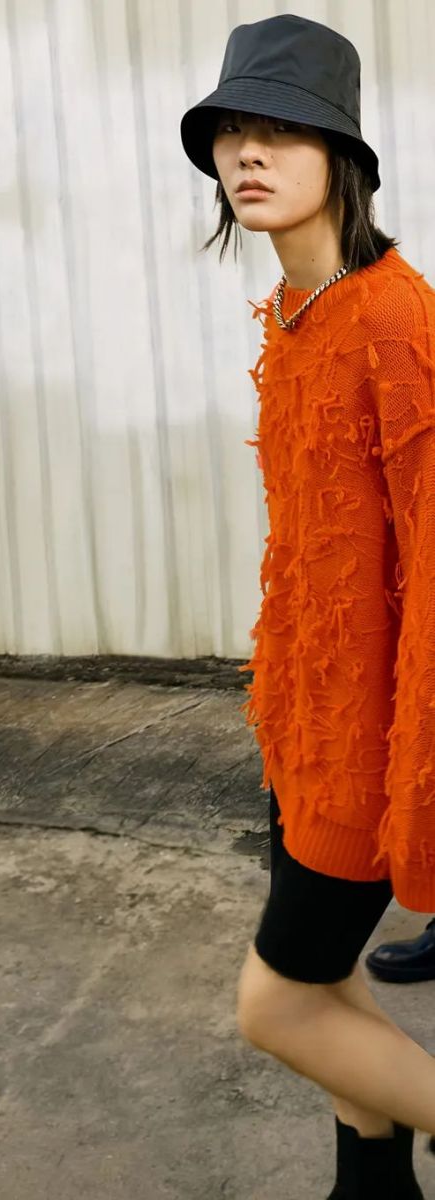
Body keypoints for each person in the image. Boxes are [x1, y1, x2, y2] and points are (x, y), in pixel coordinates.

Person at [181, 14, 435, 1199]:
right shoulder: (297, 315)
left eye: (281, 132)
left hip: (369, 755)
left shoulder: (395, 324)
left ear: (343, 158)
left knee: (274, 1007)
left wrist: (415, 782)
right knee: (327, 987)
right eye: (231, 132)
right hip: (300, 728)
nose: (247, 153)